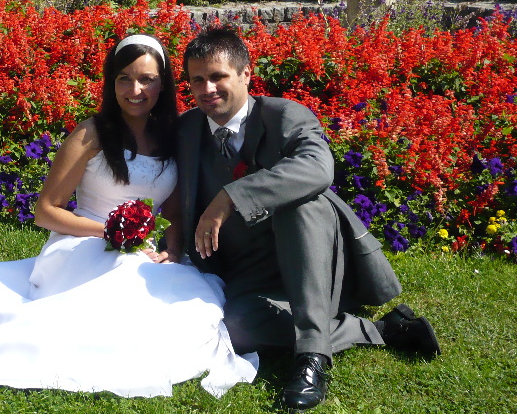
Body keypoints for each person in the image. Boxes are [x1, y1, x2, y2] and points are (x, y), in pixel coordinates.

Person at [0, 34, 258, 398]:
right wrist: (111, 233)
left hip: (145, 249)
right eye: (124, 78)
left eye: (147, 79)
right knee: (123, 289)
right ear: (111, 82)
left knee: (186, 304)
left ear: (163, 84)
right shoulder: (92, 134)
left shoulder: (171, 136)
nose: (135, 90)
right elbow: (46, 211)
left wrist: (173, 250)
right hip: (82, 245)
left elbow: (173, 212)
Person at [176, 26, 440, 412]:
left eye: (218, 76)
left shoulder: (285, 115)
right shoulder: (187, 129)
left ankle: (312, 357)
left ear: (246, 74)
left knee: (302, 202)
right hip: (247, 273)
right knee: (233, 330)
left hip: (312, 255)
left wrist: (230, 197)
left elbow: (317, 168)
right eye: (197, 79)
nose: (207, 88)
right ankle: (383, 329)